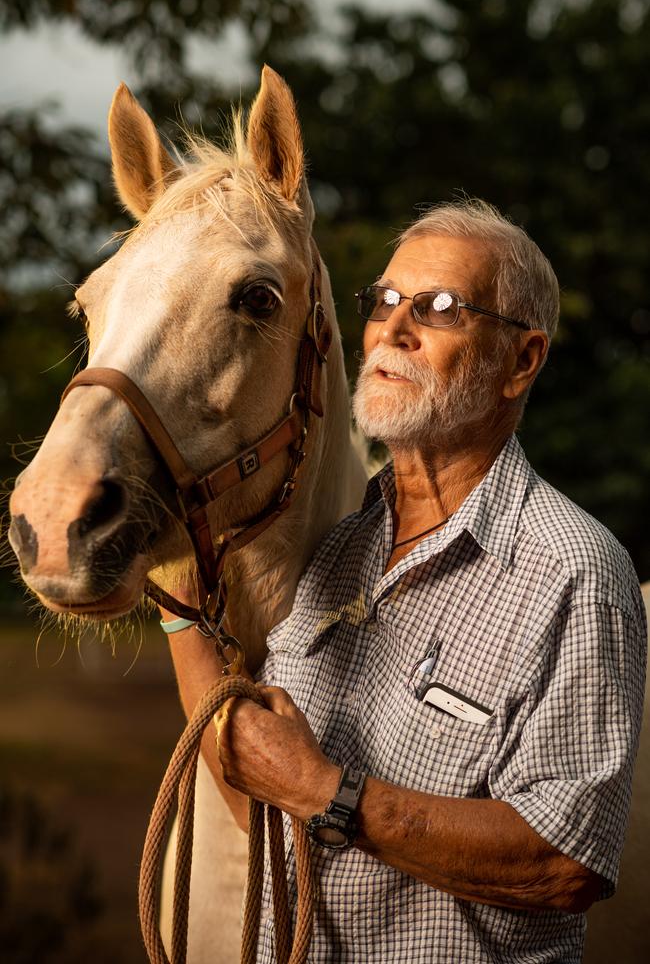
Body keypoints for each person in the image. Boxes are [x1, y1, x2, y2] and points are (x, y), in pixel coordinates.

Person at [166, 199, 646, 963]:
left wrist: (331, 793)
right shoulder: (333, 549)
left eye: (441, 308)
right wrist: (180, 603)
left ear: (521, 361)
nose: (394, 327)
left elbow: (565, 863)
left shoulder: (575, 571)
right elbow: (260, 788)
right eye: (384, 301)